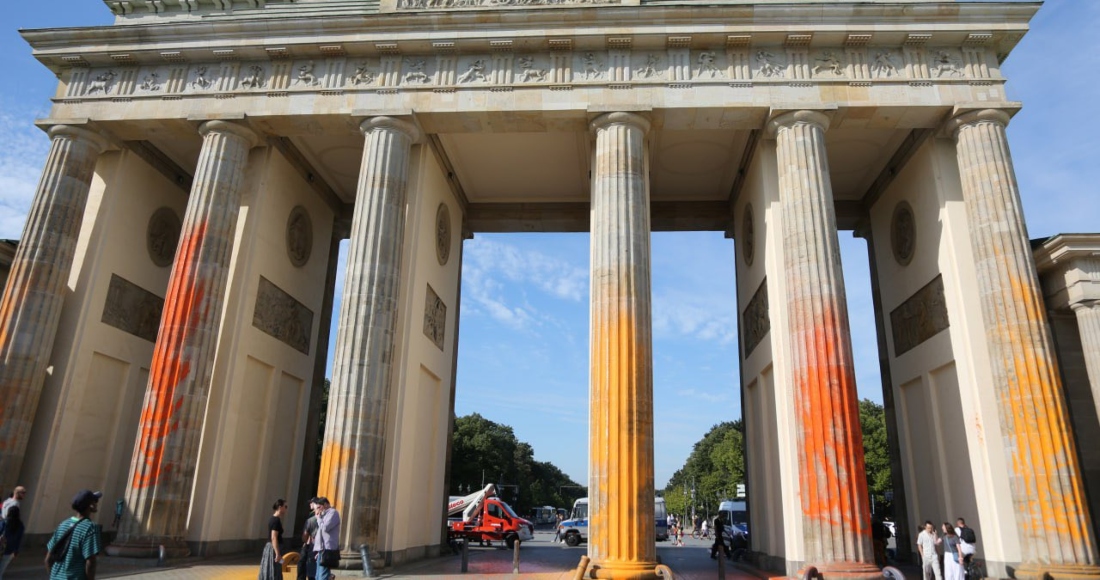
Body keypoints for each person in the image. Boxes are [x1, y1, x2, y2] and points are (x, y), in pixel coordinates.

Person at [45, 490, 103, 580]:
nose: (96, 504)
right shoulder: (90, 527)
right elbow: (90, 562)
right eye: (95, 501)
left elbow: (48, 559)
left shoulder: (63, 524)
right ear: (90, 505)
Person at [312, 497, 341, 580]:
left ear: (325, 505)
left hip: (328, 549)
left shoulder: (333, 513)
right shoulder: (324, 514)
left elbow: (325, 528)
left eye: (318, 507)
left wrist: (319, 519)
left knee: (322, 576)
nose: (317, 510)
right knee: (318, 575)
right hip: (322, 549)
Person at [260, 499, 288, 580]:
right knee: (274, 570)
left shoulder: (274, 519)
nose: (286, 509)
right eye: (285, 506)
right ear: (280, 507)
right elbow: (274, 537)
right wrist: (277, 553)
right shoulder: (275, 520)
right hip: (273, 548)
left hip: (272, 547)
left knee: (273, 569)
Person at [0, 503, 26, 579]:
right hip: (10, 551)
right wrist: (16, 551)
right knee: (1, 570)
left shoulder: (4, 522)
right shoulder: (20, 525)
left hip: (1, 548)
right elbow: (19, 539)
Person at [298, 500, 319, 580]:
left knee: (306, 564)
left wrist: (306, 541)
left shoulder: (311, 519)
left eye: (312, 502)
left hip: (311, 544)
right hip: (321, 546)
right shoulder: (327, 517)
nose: (310, 504)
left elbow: (305, 535)